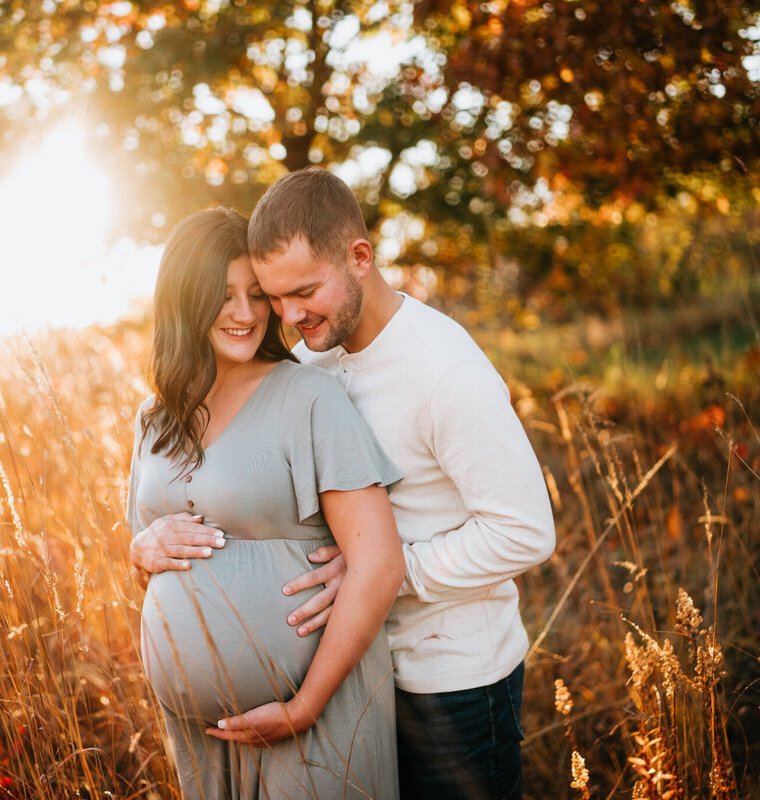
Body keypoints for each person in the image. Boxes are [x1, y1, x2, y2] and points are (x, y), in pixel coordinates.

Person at [218, 168, 557, 799]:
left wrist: (385, 570)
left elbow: (525, 532)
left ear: (360, 257)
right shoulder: (315, 361)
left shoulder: (444, 371)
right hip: (359, 676)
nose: (290, 316)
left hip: (455, 682)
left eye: (306, 290)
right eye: (276, 297)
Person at [127, 207, 404, 800]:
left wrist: (303, 707)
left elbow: (379, 563)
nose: (246, 314)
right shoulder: (154, 419)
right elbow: (147, 566)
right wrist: (139, 547)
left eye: (257, 295)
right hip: (200, 734)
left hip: (314, 715)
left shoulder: (307, 396)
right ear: (183, 299)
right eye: (223, 295)